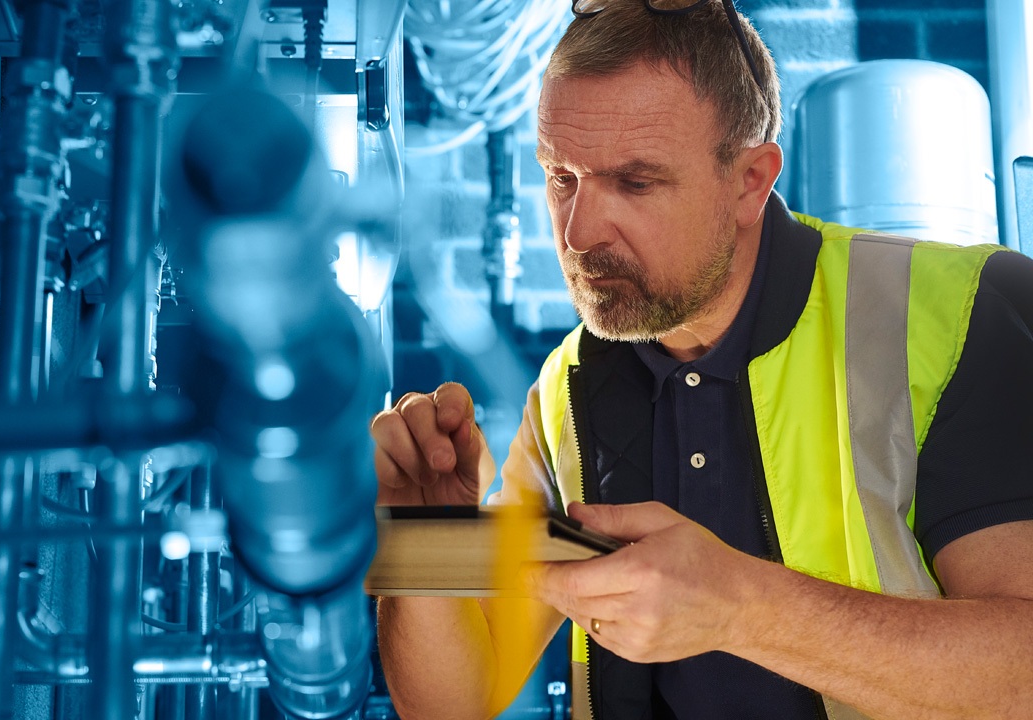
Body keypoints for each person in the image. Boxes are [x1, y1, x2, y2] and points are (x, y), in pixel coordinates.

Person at [369, 0, 1033, 718]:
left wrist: (741, 608)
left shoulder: (961, 312)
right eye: (562, 177)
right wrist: (419, 539)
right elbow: (451, 704)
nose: (580, 231)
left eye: (635, 182)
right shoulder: (569, 388)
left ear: (750, 181)